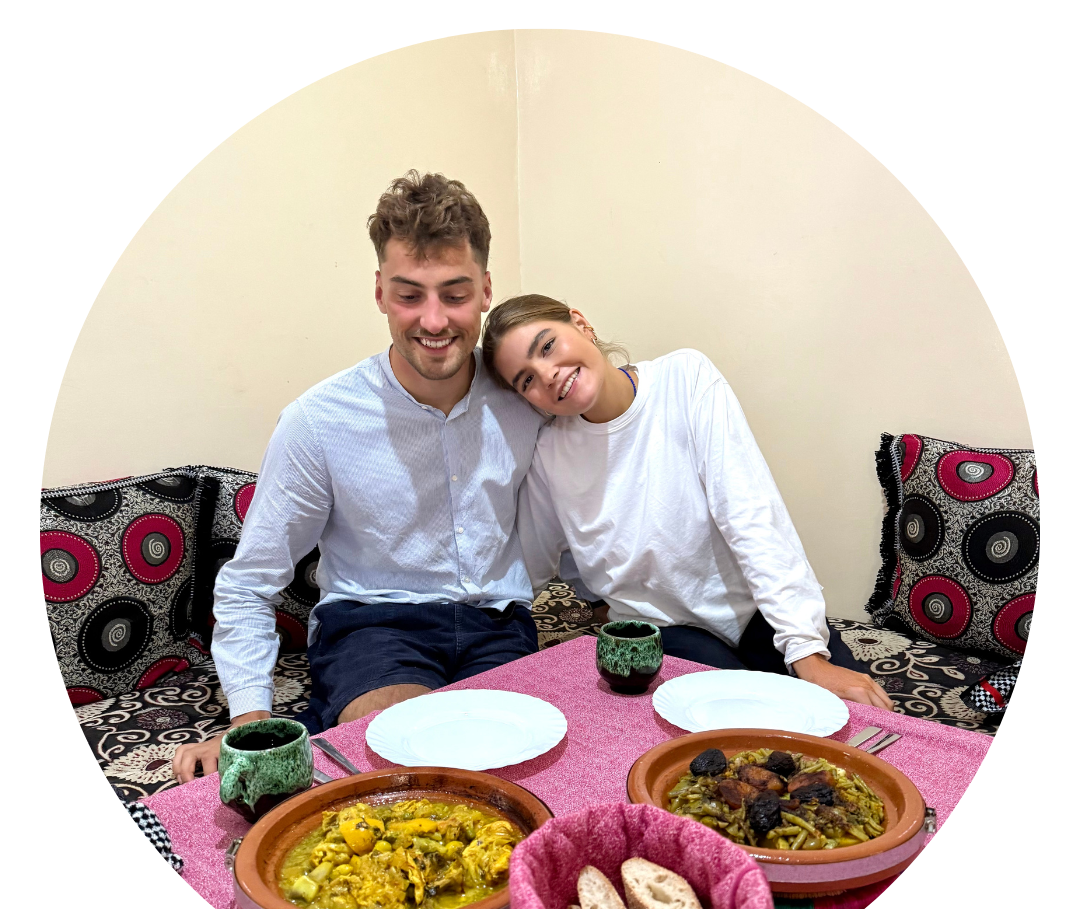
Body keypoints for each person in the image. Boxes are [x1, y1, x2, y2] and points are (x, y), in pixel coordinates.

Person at [172, 173, 545, 783]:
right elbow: (249, 582)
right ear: (379, 292)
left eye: (454, 294)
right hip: (374, 627)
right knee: (411, 759)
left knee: (517, 765)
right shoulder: (319, 421)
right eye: (409, 295)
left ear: (485, 290)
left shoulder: (525, 396)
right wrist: (250, 721)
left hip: (500, 624)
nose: (433, 320)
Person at [481, 295, 894, 710]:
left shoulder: (684, 377)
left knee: (857, 717)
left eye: (547, 346)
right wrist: (590, 601)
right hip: (665, 631)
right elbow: (534, 560)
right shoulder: (549, 454)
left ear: (581, 323)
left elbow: (750, 514)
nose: (547, 375)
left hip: (755, 613)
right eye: (526, 380)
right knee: (749, 726)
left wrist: (806, 652)